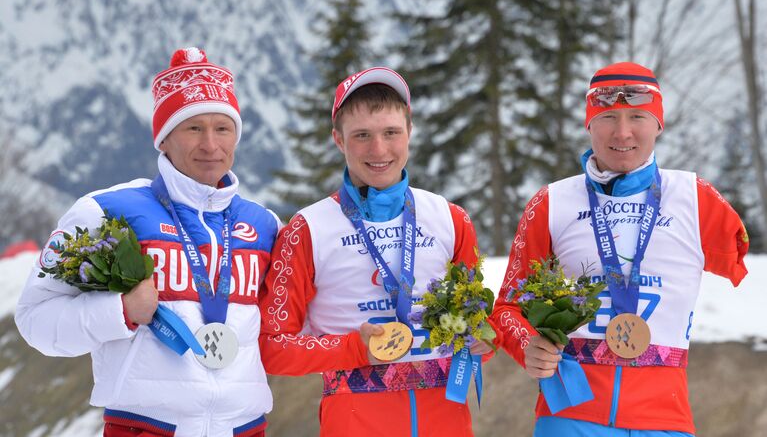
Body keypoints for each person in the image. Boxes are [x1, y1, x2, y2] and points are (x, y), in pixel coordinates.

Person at [16, 47, 280, 437]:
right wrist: (119, 311)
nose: (210, 144)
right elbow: (35, 319)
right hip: (146, 428)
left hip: (244, 428)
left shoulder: (265, 225)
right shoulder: (104, 211)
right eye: (193, 128)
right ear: (164, 139)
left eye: (222, 128)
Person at [489, 62, 749, 437]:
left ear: (658, 124)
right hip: (568, 417)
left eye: (638, 116)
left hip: (665, 422)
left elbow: (745, 269)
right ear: (589, 124)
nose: (623, 132)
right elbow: (507, 308)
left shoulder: (697, 199)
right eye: (608, 116)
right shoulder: (551, 202)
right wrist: (528, 344)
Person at [258, 67, 490, 436]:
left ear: (409, 132)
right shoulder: (308, 229)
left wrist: (482, 338)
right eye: (362, 135)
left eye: (391, 133)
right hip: (355, 419)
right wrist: (353, 348)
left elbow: (478, 320)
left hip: (446, 417)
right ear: (338, 139)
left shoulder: (450, 218)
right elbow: (272, 346)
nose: (378, 150)